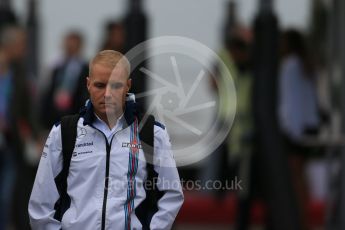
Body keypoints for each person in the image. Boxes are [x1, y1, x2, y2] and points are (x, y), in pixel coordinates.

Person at [29, 50, 184, 230]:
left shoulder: (152, 133)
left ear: (128, 85)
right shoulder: (63, 132)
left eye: (116, 85)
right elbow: (40, 202)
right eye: (100, 85)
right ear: (88, 84)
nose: (108, 94)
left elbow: (172, 194)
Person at [278, 29, 320, 230]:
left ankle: (301, 222)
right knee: (301, 176)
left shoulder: (290, 66)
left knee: (295, 178)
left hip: (296, 128)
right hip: (309, 125)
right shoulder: (304, 64)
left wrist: (290, 130)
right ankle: (304, 220)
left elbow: (290, 101)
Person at [40, 31, 89, 130]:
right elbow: (48, 92)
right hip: (55, 117)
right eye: (68, 45)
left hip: (75, 116)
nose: (70, 48)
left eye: (73, 45)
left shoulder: (86, 68)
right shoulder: (56, 67)